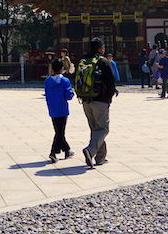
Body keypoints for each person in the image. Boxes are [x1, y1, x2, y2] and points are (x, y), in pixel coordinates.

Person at [79, 38, 116, 169]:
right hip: (100, 100)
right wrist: (109, 99)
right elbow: (111, 82)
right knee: (103, 129)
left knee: (95, 129)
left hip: (85, 99)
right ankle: (90, 150)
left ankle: (100, 157)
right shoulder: (104, 62)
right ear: (101, 48)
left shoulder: (83, 61)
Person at [44, 58, 74, 163]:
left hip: (52, 109)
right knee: (60, 132)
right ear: (62, 69)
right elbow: (68, 96)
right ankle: (53, 152)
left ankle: (67, 150)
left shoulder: (47, 81)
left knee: (59, 130)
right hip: (62, 109)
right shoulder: (65, 81)